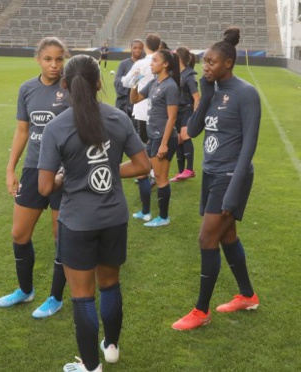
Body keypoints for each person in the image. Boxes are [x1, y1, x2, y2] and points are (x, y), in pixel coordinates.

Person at [38, 54, 151, 372]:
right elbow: (144, 166)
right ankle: (111, 347)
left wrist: (65, 177)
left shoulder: (57, 127)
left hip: (77, 222)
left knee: (83, 296)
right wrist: (110, 169)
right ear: (99, 83)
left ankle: (90, 367)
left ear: (65, 86)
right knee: (110, 284)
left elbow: (46, 186)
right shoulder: (118, 118)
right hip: (114, 218)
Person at [172, 26, 261, 331]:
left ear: (228, 63)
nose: (205, 66)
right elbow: (193, 131)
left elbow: (249, 146)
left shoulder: (246, 94)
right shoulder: (213, 91)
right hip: (211, 174)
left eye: (211, 62)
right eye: (204, 61)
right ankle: (248, 295)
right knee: (227, 236)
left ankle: (201, 311)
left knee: (206, 238)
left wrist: (233, 193)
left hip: (231, 176)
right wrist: (206, 94)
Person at [0, 37, 71, 319]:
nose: (54, 65)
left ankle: (55, 297)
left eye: (59, 59)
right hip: (33, 169)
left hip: (64, 173)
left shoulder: (70, 88)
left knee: (60, 237)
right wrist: (10, 168)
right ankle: (25, 291)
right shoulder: (27, 89)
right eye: (49, 59)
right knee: (19, 233)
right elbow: (23, 131)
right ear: (38, 59)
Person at [130, 49, 180, 227]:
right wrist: (134, 81)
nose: (151, 63)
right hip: (153, 136)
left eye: (155, 60)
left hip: (163, 139)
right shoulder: (153, 83)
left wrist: (164, 144)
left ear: (165, 64)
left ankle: (164, 217)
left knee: (160, 178)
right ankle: (145, 212)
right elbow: (134, 99)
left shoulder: (170, 86)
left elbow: (172, 118)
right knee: (143, 172)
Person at [170, 46, 200, 182]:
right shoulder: (175, 74)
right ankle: (181, 172)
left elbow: (197, 98)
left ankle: (189, 169)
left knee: (184, 135)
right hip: (177, 110)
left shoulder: (189, 75)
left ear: (180, 58)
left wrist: (195, 115)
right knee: (178, 140)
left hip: (187, 109)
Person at [113, 39, 144, 137]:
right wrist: (129, 79)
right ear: (131, 49)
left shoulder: (145, 64)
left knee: (136, 134)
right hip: (124, 103)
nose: (137, 50)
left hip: (138, 103)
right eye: (135, 48)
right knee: (121, 132)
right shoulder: (124, 64)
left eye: (140, 48)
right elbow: (116, 81)